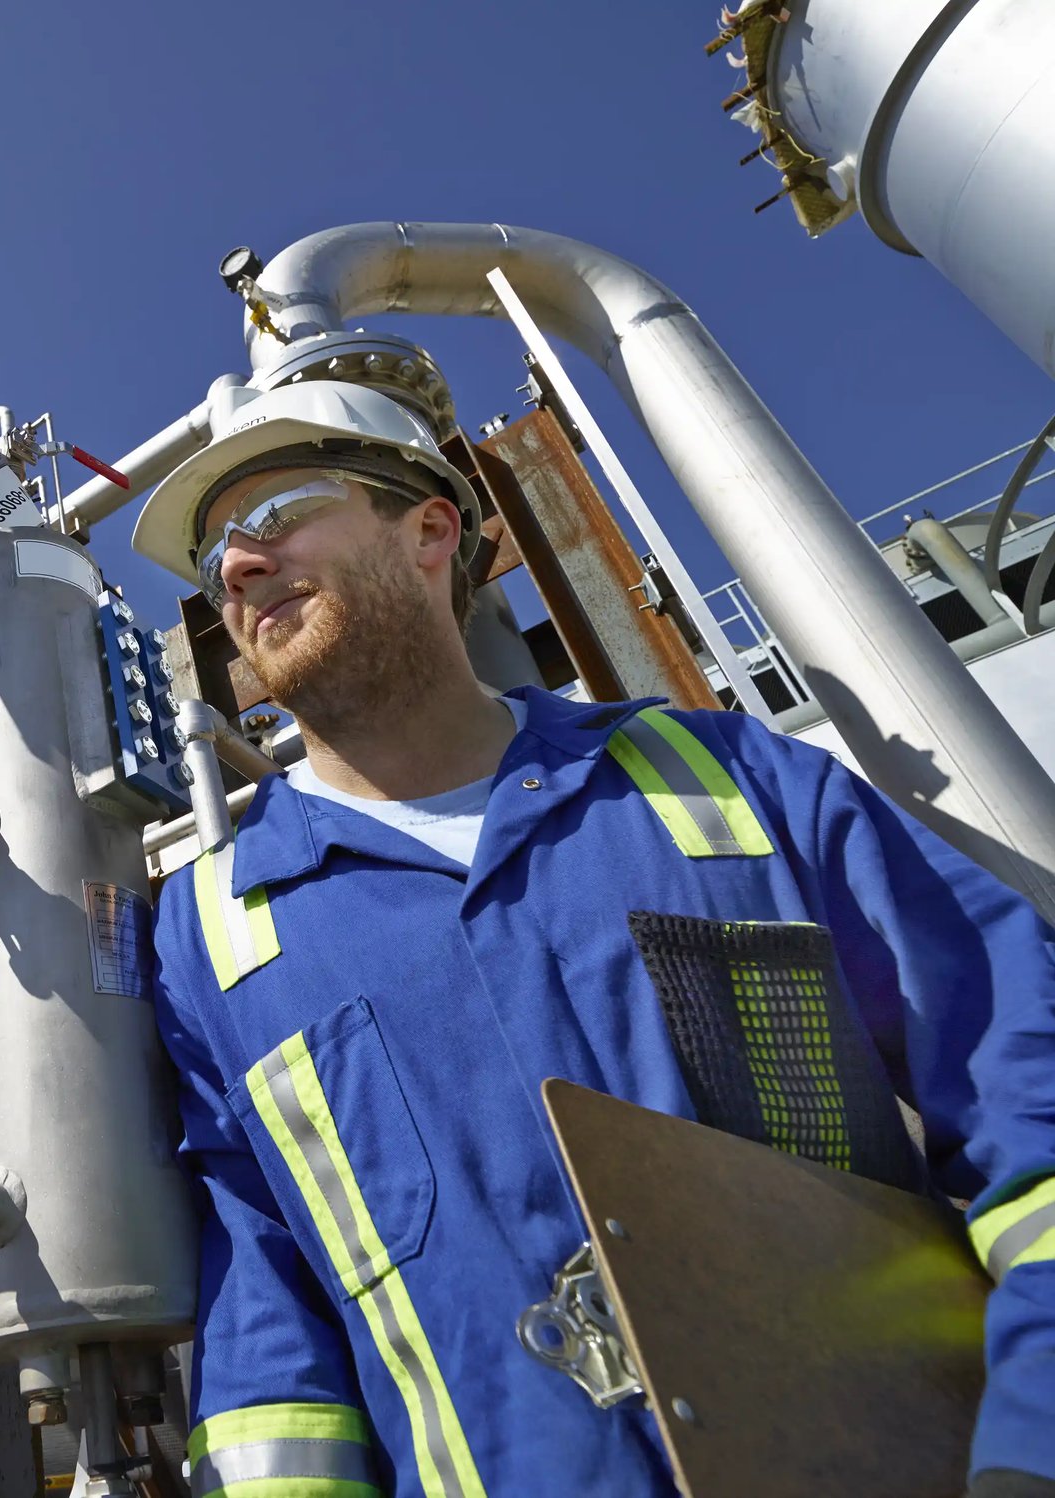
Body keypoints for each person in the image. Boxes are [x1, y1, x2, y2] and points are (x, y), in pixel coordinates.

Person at [131, 376, 1055, 1498]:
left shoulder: (729, 777)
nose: (233, 566)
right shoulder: (212, 931)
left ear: (427, 528)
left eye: (272, 517)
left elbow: (1024, 1091)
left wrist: (1029, 1449)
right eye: (212, 557)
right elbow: (268, 1327)